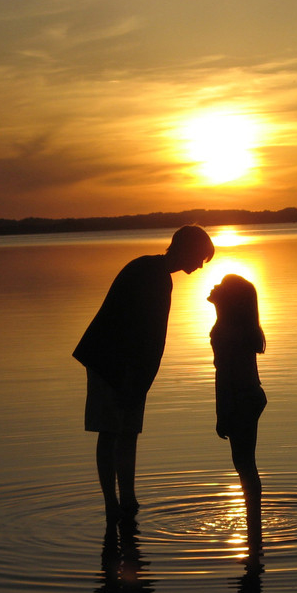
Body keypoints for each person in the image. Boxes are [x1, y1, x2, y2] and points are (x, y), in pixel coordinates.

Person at [74, 225, 215, 523]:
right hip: (108, 361)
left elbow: (152, 340)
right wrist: (131, 380)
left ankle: (128, 499)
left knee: (127, 433)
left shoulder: (157, 274)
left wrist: (139, 382)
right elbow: (142, 334)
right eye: (201, 257)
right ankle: (112, 503)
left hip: (131, 368)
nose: (201, 265)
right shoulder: (150, 273)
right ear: (185, 249)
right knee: (110, 431)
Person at [208, 274, 267, 560]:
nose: (214, 286)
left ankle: (254, 534)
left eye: (221, 286)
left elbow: (224, 376)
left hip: (242, 399)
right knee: (247, 466)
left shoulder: (226, 330)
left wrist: (222, 413)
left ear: (230, 300)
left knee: (244, 466)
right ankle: (254, 528)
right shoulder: (236, 327)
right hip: (252, 395)